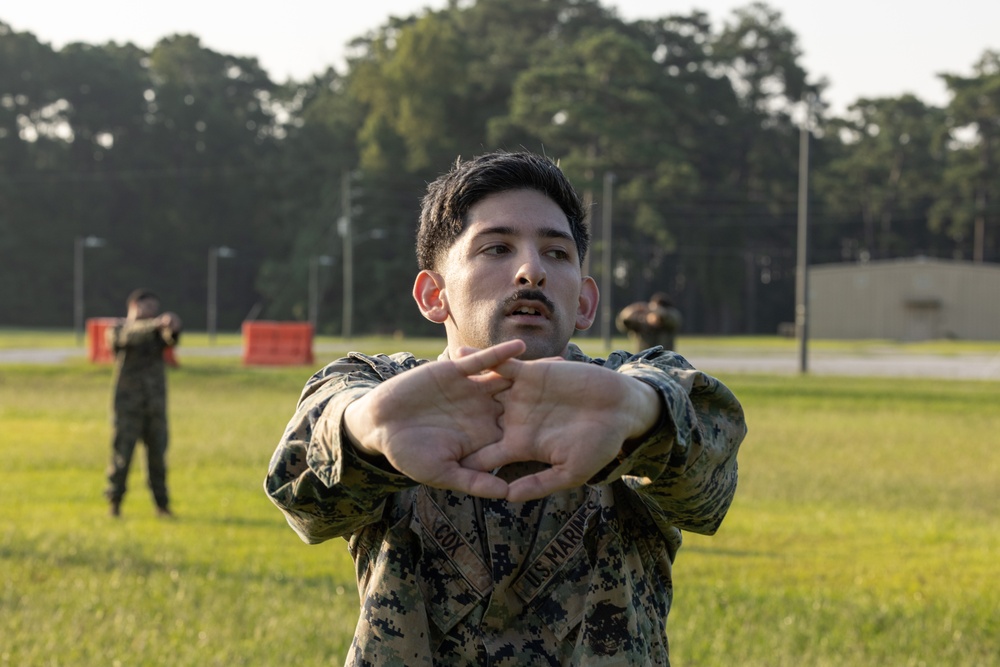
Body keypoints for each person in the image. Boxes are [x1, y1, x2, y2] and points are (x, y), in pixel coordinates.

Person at [264, 151, 746, 666]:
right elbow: (302, 496)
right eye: (497, 248)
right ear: (433, 294)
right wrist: (368, 429)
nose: (530, 271)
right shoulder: (380, 390)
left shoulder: (631, 393)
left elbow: (707, 482)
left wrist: (642, 416)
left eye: (557, 254)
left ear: (585, 303)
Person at [105, 289, 182, 518]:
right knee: (121, 457)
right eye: (147, 307)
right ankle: (114, 503)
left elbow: (171, 340)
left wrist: (173, 326)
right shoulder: (118, 328)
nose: (152, 312)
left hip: (155, 408)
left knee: (157, 459)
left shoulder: (156, 333)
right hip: (127, 407)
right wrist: (157, 324)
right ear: (134, 306)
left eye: (155, 309)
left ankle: (162, 505)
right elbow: (127, 337)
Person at [616, 292, 683, 352]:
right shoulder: (641, 322)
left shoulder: (670, 320)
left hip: (666, 360)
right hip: (642, 361)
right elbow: (623, 322)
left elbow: (673, 318)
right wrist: (631, 310)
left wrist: (657, 314)